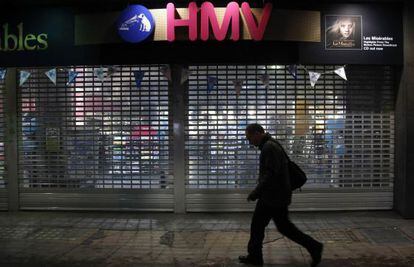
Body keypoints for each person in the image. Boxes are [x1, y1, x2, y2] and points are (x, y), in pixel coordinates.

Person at [239, 123, 323, 267]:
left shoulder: (269, 147)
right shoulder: (271, 145)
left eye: (249, 138)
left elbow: (271, 174)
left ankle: (255, 257)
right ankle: (314, 247)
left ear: (257, 133)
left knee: (258, 225)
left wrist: (256, 192)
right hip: (277, 195)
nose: (249, 142)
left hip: (272, 196)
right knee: (284, 227)